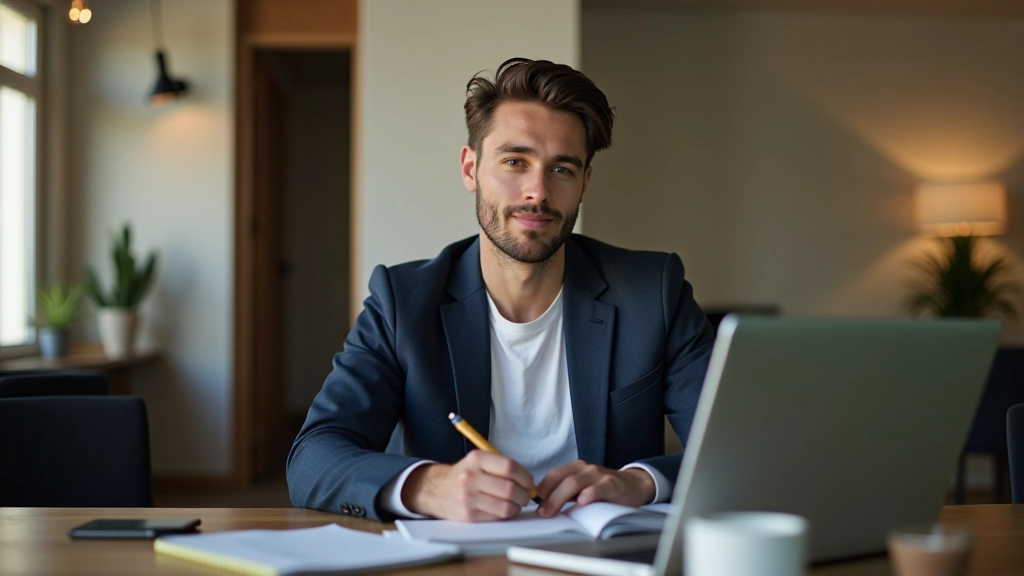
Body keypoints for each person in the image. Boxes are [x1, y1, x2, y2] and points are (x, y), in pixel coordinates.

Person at [287, 57, 714, 523]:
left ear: (585, 184)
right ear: (470, 168)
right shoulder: (402, 301)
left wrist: (640, 481)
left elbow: (739, 451)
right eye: (515, 162)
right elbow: (313, 457)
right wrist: (429, 487)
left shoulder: (653, 292)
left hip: (604, 558)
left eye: (562, 170)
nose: (537, 191)